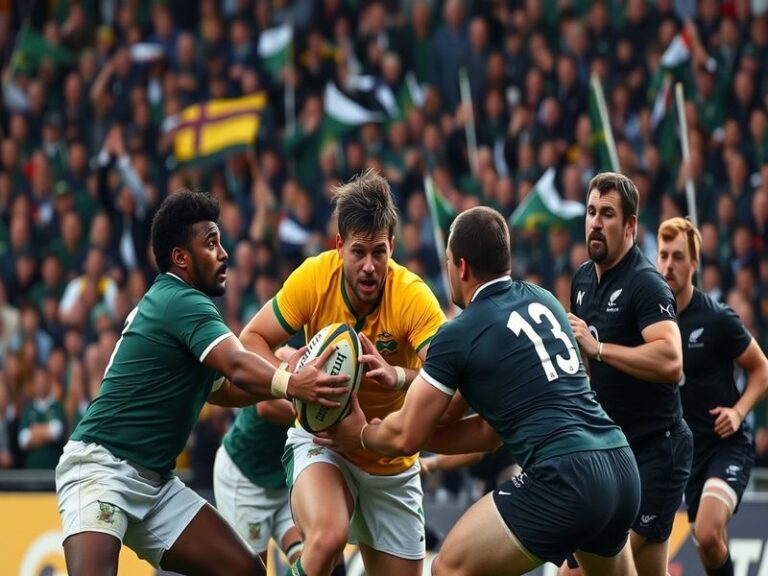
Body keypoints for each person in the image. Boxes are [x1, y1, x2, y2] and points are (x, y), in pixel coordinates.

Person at [315, 205, 641, 576]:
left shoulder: (460, 332)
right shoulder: (545, 299)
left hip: (565, 477)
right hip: (619, 465)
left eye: (450, 261)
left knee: (449, 568)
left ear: (462, 267)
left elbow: (406, 436)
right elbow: (488, 434)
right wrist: (421, 419)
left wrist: (358, 433)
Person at [55, 189, 348, 576]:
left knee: (245, 570)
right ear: (181, 258)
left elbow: (226, 388)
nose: (223, 253)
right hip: (101, 468)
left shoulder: (180, 305)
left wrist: (290, 370)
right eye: (211, 243)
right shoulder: (181, 301)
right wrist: (293, 383)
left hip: (156, 484)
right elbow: (239, 366)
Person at [240, 170, 446, 576]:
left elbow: (447, 377)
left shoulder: (413, 297)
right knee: (328, 538)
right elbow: (251, 339)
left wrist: (398, 375)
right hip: (323, 442)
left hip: (392, 463)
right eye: (358, 252)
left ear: (393, 247)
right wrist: (292, 377)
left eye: (380, 252)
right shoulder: (314, 278)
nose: (370, 266)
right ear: (339, 246)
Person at [567, 172, 693, 576]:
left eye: (607, 214)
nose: (595, 223)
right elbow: (589, 370)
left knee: (586, 571)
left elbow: (672, 361)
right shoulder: (583, 279)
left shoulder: (646, 283)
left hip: (658, 452)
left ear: (630, 226)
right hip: (614, 453)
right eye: (590, 212)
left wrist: (599, 349)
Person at [656, 217, 768, 576]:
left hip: (725, 446)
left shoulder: (717, 318)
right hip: (683, 457)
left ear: (694, 263)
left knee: (705, 532)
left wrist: (738, 412)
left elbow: (761, 369)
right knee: (708, 547)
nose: (669, 265)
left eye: (677, 256)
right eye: (663, 256)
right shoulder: (650, 323)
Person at [212, 345, 346, 575]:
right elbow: (266, 406)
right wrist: (314, 412)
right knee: (253, 570)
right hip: (244, 480)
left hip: (284, 481)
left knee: (326, 562)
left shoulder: (338, 356)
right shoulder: (288, 350)